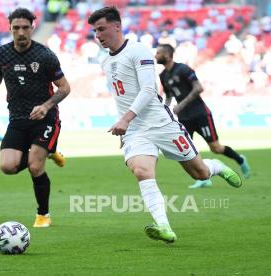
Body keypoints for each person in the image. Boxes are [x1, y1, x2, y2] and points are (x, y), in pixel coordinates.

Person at [88, 7, 242, 243]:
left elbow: (150, 90)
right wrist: (126, 126)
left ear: (116, 26)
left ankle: (217, 166)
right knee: (142, 171)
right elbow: (122, 98)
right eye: (94, 31)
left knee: (199, 173)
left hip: (161, 123)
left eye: (101, 29)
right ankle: (164, 226)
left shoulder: (138, 50)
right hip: (135, 130)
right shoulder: (106, 62)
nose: (97, 35)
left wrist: (125, 119)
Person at [0, 8, 71, 227]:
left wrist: (46, 106)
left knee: (35, 166)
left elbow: (64, 88)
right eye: (17, 28)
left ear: (32, 28)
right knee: (7, 167)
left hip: (46, 118)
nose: (21, 32)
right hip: (17, 119)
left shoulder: (45, 56)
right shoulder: (0, 55)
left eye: (25, 27)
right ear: (10, 28)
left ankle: (43, 215)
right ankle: (48, 152)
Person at [155, 44, 251, 189]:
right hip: (184, 117)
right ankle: (204, 179)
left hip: (200, 113)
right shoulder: (163, 75)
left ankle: (240, 159)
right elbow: (168, 95)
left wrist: (181, 105)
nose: (155, 56)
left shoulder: (183, 69)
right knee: (188, 152)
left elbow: (199, 88)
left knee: (216, 148)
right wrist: (164, 108)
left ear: (167, 55)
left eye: (158, 53)